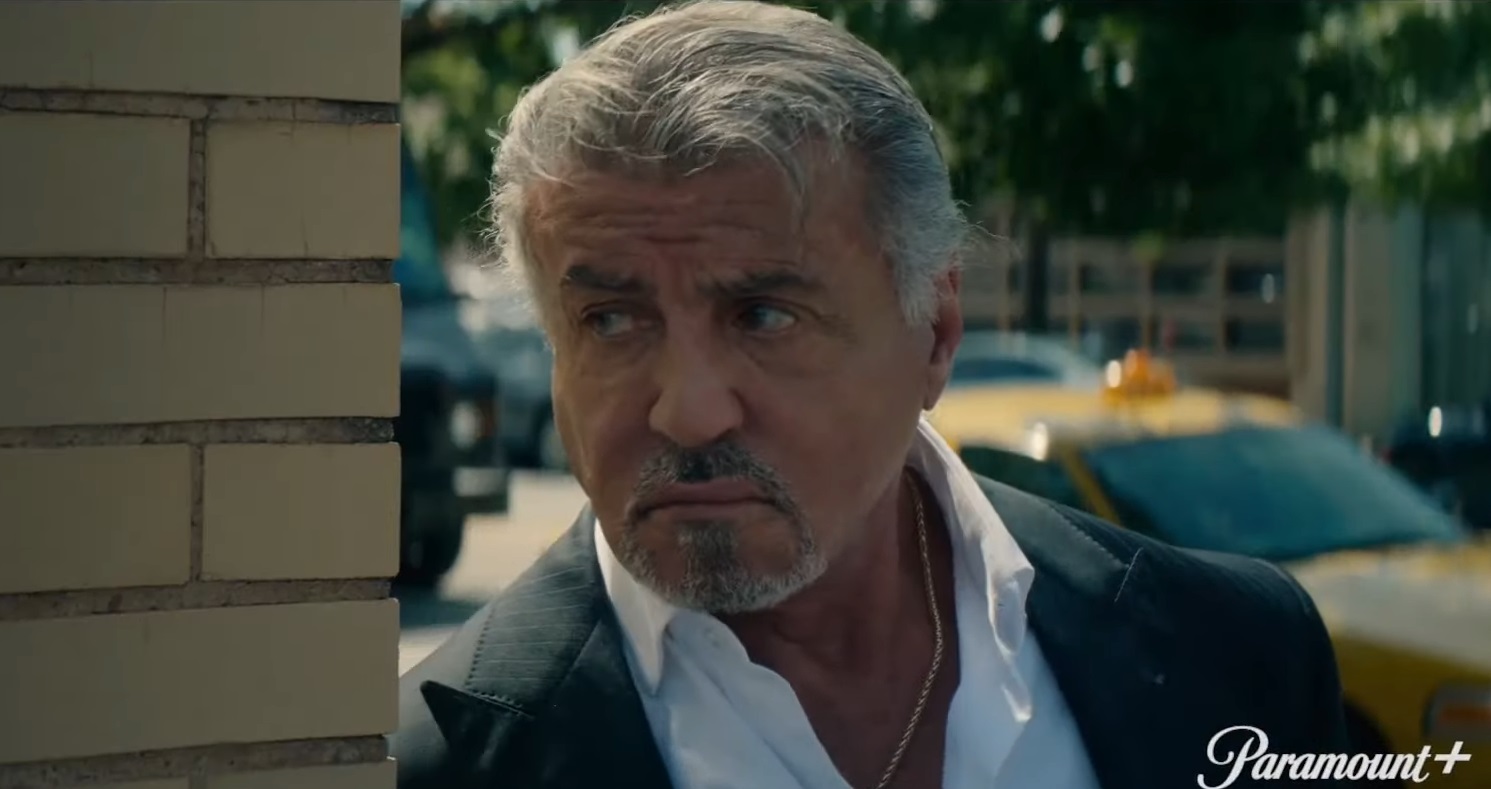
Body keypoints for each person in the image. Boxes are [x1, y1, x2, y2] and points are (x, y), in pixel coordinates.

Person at [392, 2, 1353, 787]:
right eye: (610, 321)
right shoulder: (429, 763)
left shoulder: (1239, 655)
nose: (687, 411)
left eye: (764, 315)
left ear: (934, 331)